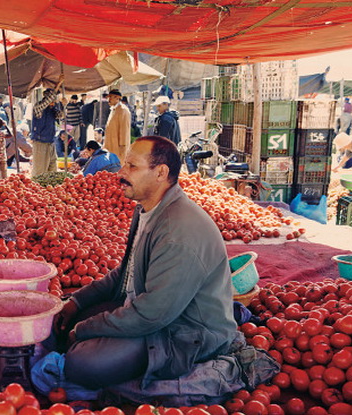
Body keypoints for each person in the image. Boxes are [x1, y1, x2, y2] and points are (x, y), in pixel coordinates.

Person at [49, 135, 238, 390]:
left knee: (82, 363)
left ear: (160, 172)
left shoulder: (176, 233)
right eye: (125, 164)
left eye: (132, 167)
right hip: (153, 312)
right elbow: (125, 273)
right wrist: (77, 302)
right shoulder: (148, 209)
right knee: (67, 320)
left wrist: (85, 330)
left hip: (184, 333)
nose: (121, 173)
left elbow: (152, 314)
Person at [30, 77, 65, 177]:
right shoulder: (38, 107)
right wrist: (58, 84)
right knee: (40, 171)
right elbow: (48, 100)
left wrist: (63, 105)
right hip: (40, 143)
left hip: (50, 142)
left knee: (52, 169)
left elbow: (61, 115)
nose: (53, 102)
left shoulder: (52, 108)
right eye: (52, 100)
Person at [104, 89, 133, 162]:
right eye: (108, 97)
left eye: (111, 97)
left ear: (117, 98)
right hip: (111, 146)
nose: (109, 99)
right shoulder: (114, 109)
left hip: (118, 148)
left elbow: (124, 130)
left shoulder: (123, 110)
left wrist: (123, 147)